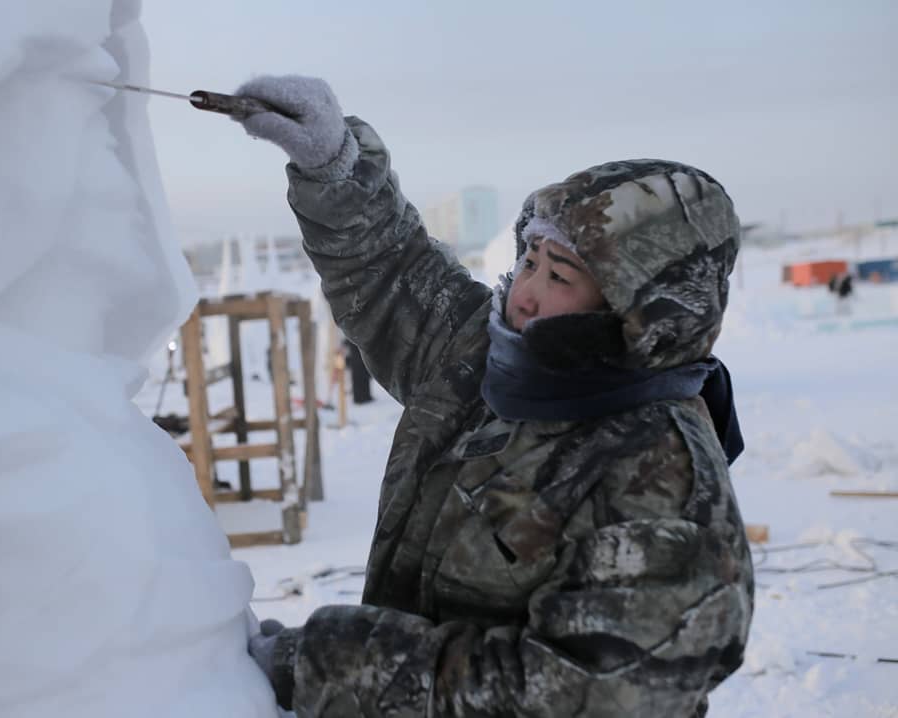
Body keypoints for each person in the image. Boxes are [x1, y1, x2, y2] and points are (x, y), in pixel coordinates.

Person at [237, 75, 752, 717]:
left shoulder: (663, 482)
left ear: (638, 310)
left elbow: (583, 695)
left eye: (560, 275)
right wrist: (336, 167)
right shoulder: (491, 356)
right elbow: (396, 275)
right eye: (530, 259)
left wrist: (332, 667)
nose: (525, 293)